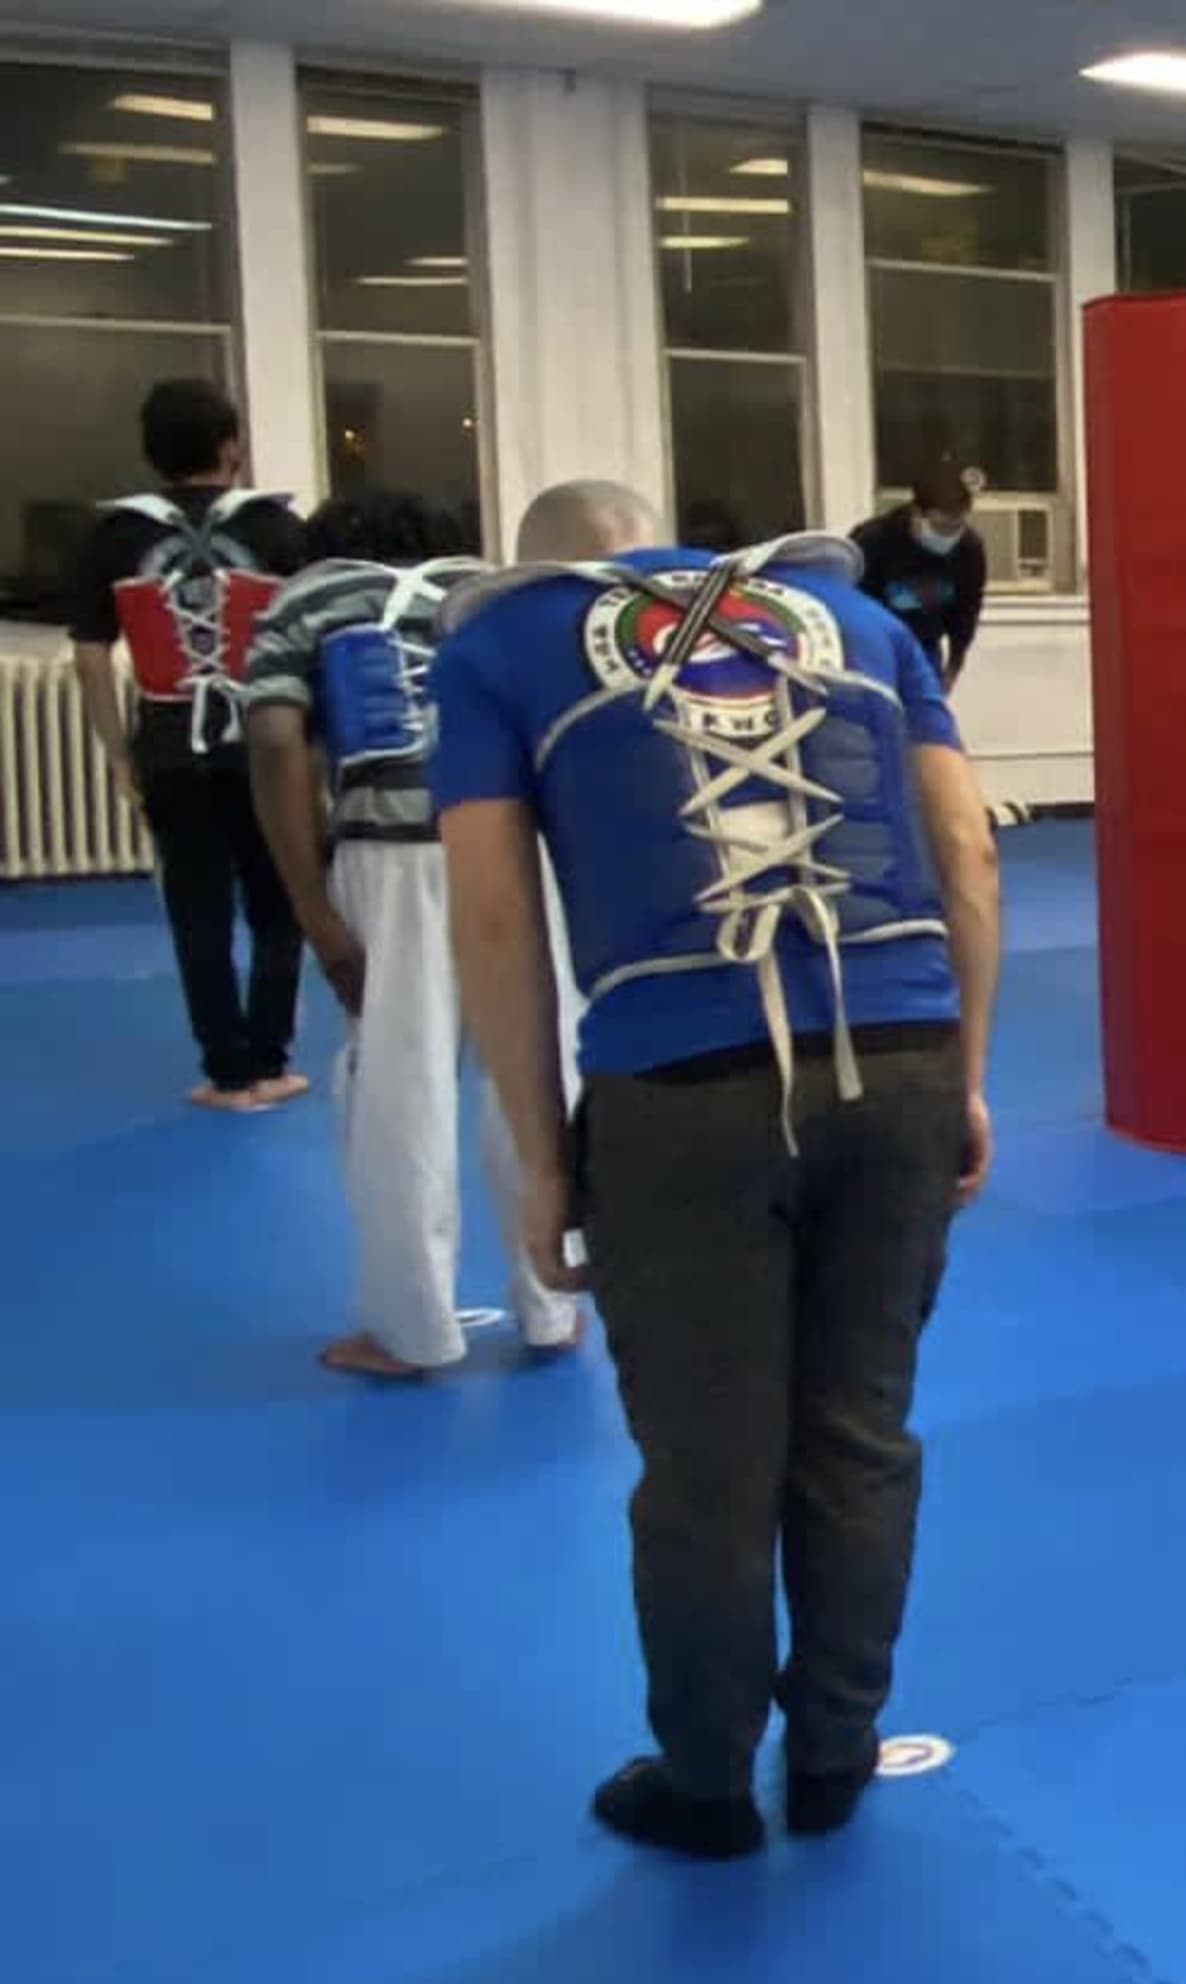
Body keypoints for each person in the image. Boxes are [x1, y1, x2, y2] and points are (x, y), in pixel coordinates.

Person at [433, 478, 1003, 1857]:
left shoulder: (500, 645)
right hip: (903, 1052)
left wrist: (538, 1157)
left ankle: (703, 1780)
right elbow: (968, 857)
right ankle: (834, 1750)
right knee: (860, 1432)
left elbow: (497, 920)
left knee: (706, 1465)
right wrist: (966, 1073)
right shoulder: (856, 616)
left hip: (682, 1090)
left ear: (543, 561)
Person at [243, 489, 582, 1380]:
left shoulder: (310, 596)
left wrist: (315, 914)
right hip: (516, 838)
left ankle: (412, 1328)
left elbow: (276, 741)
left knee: (401, 1082)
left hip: (390, 854)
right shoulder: (493, 590)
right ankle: (553, 1301)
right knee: (538, 1069)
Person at [69, 379, 312, 1112]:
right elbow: (316, 640)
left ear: (152, 452)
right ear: (231, 445)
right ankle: (270, 1061)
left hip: (169, 742)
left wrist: (118, 753)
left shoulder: (114, 536)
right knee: (277, 903)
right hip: (265, 737)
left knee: (197, 910)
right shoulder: (277, 530)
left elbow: (88, 655)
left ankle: (227, 1073)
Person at [848, 463, 988, 687]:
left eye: (957, 527)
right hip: (870, 648)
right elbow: (850, 604)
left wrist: (954, 665)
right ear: (917, 514)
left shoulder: (968, 549)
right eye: (941, 527)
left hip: (925, 649)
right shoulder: (872, 541)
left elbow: (967, 609)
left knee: (929, 718)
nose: (949, 536)